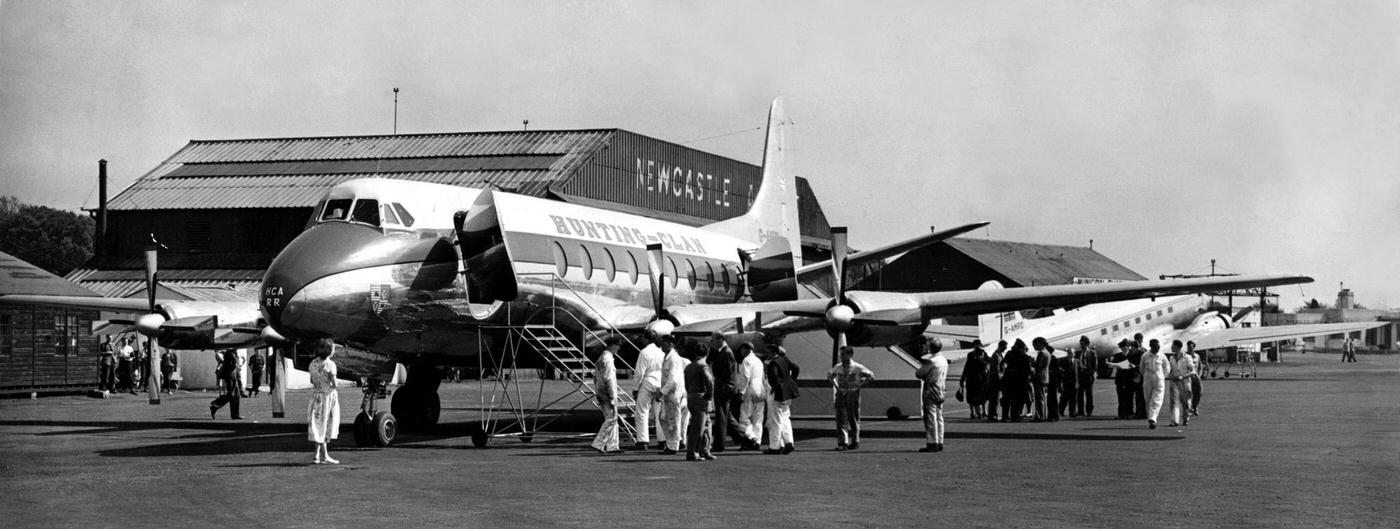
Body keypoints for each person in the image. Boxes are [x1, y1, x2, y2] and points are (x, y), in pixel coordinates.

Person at [828, 345, 875, 451]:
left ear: (850, 355)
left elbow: (871, 375)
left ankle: (855, 441)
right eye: (841, 354)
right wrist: (836, 387)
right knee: (841, 418)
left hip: (853, 393)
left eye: (844, 354)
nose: (841, 356)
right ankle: (843, 442)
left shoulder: (857, 367)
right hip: (841, 392)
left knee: (853, 417)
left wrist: (859, 386)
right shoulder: (838, 367)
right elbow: (830, 375)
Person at [763, 338, 800, 455]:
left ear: (773, 353)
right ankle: (789, 442)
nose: (766, 355)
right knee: (785, 418)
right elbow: (796, 368)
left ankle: (775, 447)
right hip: (788, 394)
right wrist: (789, 382)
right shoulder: (784, 359)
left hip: (778, 394)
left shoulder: (773, 363)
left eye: (768, 353)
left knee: (776, 421)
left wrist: (776, 386)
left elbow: (773, 376)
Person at [707, 333, 743, 452]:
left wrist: (728, 386)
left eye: (713, 340)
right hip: (721, 386)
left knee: (721, 416)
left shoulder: (727, 352)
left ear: (721, 339)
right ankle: (746, 440)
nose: (712, 342)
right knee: (726, 416)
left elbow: (730, 372)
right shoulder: (722, 351)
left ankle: (719, 444)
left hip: (724, 388)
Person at [307, 339, 340, 464]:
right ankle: (325, 456)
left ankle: (317, 455)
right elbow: (335, 384)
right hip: (328, 397)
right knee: (326, 425)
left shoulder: (312, 363)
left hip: (316, 396)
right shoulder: (330, 365)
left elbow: (312, 380)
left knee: (318, 425)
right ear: (329, 350)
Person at [630, 332, 664, 450]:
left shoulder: (644, 352)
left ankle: (643, 441)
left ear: (646, 338)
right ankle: (662, 440)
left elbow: (639, 373)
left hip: (648, 381)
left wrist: (635, 388)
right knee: (659, 413)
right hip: (659, 381)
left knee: (642, 412)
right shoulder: (661, 351)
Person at [915, 337, 948, 452]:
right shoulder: (943, 360)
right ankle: (940, 441)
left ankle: (932, 442)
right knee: (939, 417)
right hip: (941, 389)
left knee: (930, 416)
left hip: (931, 389)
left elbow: (919, 373)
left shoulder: (931, 361)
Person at [683, 343, 716, 461]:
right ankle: (692, 452)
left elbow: (686, 384)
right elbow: (710, 381)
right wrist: (709, 395)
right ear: (707, 353)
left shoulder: (688, 366)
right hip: (700, 398)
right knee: (698, 427)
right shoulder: (703, 366)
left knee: (706, 425)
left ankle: (705, 450)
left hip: (691, 396)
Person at [591, 336, 622, 454]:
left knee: (612, 419)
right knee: (611, 418)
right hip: (607, 392)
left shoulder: (601, 358)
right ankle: (598, 443)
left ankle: (612, 446)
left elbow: (596, 377)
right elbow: (609, 378)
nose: (618, 348)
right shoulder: (608, 359)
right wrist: (613, 395)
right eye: (618, 345)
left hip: (600, 390)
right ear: (613, 345)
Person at [657, 334, 685, 455]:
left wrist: (661, 392)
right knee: (663, 418)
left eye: (664, 343)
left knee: (673, 419)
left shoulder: (674, 358)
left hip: (673, 393)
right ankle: (673, 442)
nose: (661, 345)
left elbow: (673, 379)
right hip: (668, 393)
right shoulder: (667, 357)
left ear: (671, 344)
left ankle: (673, 445)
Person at [734, 342, 765, 450]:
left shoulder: (746, 360)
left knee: (745, 417)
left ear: (745, 349)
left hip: (750, 388)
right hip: (760, 388)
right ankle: (758, 440)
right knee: (758, 417)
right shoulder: (759, 361)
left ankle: (750, 438)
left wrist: (741, 392)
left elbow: (745, 377)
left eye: (741, 350)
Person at [1138, 339, 1171, 429]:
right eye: (1156, 347)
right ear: (1151, 346)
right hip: (1148, 378)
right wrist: (1146, 375)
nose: (1158, 349)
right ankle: (1151, 418)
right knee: (1148, 399)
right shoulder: (1145, 356)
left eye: (1159, 347)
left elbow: (1167, 367)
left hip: (1159, 378)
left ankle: (1153, 419)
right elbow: (1141, 368)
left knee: (1157, 399)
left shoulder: (1162, 356)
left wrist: (1162, 376)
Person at [1000, 339, 1032, 422]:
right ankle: (1015, 416)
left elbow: (1002, 364)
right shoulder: (1024, 356)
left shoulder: (1009, 353)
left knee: (1006, 399)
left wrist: (1005, 372)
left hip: (1008, 379)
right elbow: (1028, 370)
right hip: (1019, 381)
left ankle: (1005, 416)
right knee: (1016, 400)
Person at [1166, 340, 1196, 427]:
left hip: (1184, 382)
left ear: (1177, 347)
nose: (1171, 347)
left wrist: (1183, 377)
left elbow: (1192, 371)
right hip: (1174, 382)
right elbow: (1169, 371)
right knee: (1174, 402)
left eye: (1173, 346)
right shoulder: (1171, 358)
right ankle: (1174, 421)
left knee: (1185, 402)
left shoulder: (1187, 358)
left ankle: (1186, 418)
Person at [208, 349, 243, 419]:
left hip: (232, 376)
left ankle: (235, 415)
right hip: (231, 376)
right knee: (232, 394)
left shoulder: (230, 353)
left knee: (236, 395)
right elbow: (233, 365)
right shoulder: (231, 354)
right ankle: (215, 405)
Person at [959, 339, 989, 420]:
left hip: (978, 379)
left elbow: (986, 364)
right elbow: (968, 367)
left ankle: (981, 412)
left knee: (981, 396)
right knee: (973, 396)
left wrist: (962, 379)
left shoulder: (982, 354)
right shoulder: (972, 355)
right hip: (975, 379)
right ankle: (974, 412)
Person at [1110, 340, 1136, 420]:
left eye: (1125, 347)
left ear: (1129, 347)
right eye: (1122, 348)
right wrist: (1120, 365)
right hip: (1120, 379)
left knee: (1129, 397)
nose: (1123, 349)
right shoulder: (1118, 355)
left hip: (1129, 379)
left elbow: (1134, 365)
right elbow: (1112, 364)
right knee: (1120, 398)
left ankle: (1129, 413)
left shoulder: (1132, 355)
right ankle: (1121, 414)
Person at [1074, 336, 1096, 417]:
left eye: (1083, 344)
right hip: (1080, 376)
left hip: (1088, 375)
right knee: (1079, 394)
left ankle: (1089, 410)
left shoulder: (1092, 353)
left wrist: (1092, 374)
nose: (1081, 346)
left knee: (1089, 394)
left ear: (1087, 344)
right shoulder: (1078, 353)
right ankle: (1080, 411)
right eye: (1080, 344)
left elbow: (1094, 365)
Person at [1053, 341, 1076, 420]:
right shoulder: (1063, 361)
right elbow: (1059, 369)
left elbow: (1078, 373)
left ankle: (1072, 412)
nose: (1070, 354)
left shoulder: (1077, 362)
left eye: (1072, 353)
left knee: (1073, 399)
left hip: (1074, 383)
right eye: (1069, 353)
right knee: (1064, 398)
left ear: (1074, 354)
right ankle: (1061, 411)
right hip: (1066, 382)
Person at [1031, 338, 1052, 422]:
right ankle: (1043, 415)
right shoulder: (1047, 352)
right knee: (1042, 397)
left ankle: (1039, 416)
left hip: (1039, 377)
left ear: (1040, 344)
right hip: (1045, 377)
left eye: (1035, 344)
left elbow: (1038, 365)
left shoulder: (1041, 353)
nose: (1034, 346)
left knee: (1039, 398)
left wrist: (1032, 362)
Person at [986, 340, 1006, 422]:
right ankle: (993, 415)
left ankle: (993, 414)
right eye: (1004, 347)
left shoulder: (998, 354)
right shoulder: (996, 356)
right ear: (1000, 346)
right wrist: (1000, 380)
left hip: (995, 379)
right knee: (994, 399)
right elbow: (997, 370)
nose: (1005, 349)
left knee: (995, 399)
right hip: (995, 380)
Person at [1129, 337, 1147, 419]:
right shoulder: (1133, 354)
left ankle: (1141, 413)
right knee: (1138, 396)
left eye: (1132, 347)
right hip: (1136, 378)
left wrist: (1135, 367)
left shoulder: (1142, 354)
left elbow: (1144, 365)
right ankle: (1139, 412)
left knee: (1141, 396)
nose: (1131, 349)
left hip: (1142, 377)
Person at [1186, 341, 1203, 415]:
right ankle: (1189, 409)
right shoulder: (1185, 356)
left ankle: (1195, 407)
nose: (1189, 348)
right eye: (1188, 347)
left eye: (1191, 347)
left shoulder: (1197, 356)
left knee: (1199, 393)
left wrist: (1199, 375)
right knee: (1188, 394)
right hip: (1187, 377)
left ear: (1194, 347)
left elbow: (1200, 367)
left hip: (1196, 377)